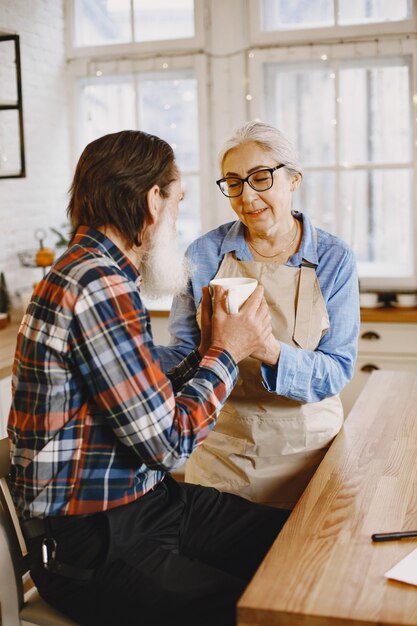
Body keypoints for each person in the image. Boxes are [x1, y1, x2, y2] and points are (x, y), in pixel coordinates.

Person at [7, 130, 290, 626]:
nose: (177, 222)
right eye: (177, 203)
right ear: (151, 200)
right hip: (93, 541)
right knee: (262, 610)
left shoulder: (97, 272)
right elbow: (169, 445)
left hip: (144, 502)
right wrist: (227, 353)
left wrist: (205, 348)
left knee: (295, 543)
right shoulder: (96, 284)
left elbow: (142, 396)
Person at [157, 121, 360, 509]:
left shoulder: (334, 259)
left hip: (309, 456)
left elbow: (337, 369)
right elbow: (184, 354)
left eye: (261, 178)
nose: (247, 197)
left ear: (293, 179)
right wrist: (132, 359)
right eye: (234, 183)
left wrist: (270, 350)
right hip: (223, 455)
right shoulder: (203, 254)